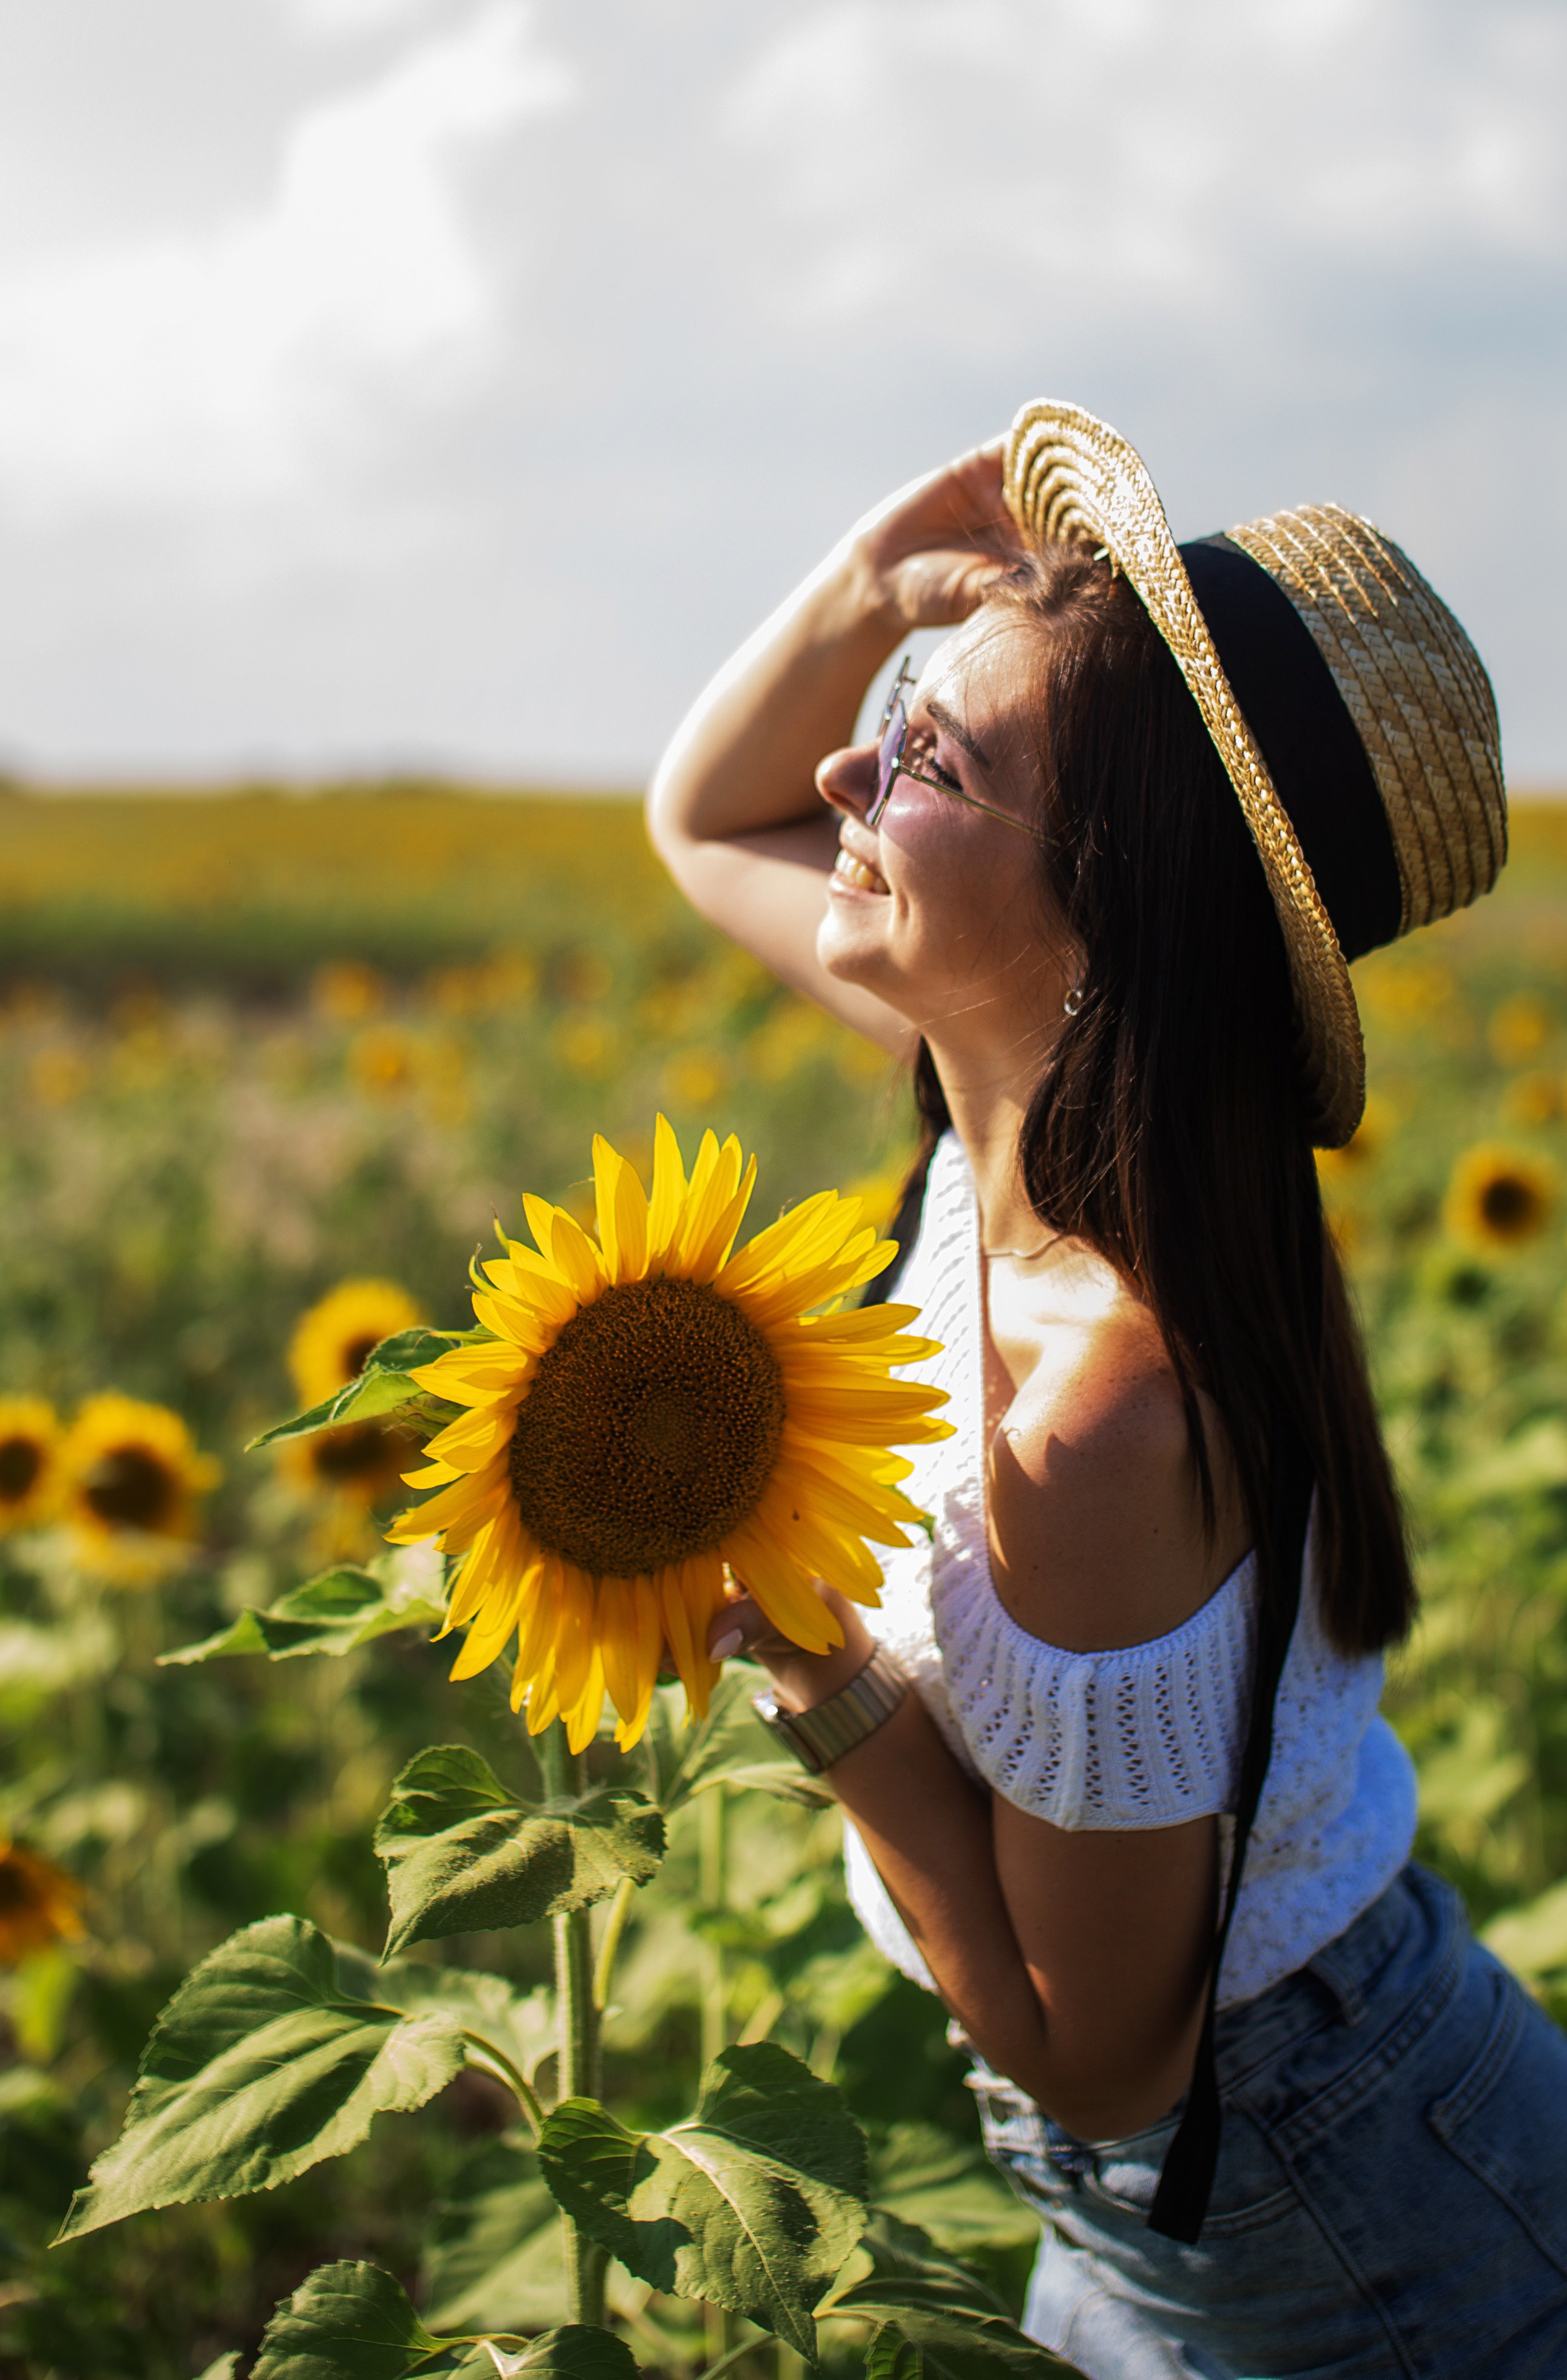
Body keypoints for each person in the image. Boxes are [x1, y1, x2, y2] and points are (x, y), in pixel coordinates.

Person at [646, 400, 1567, 2379]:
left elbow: (1103, 2053)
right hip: (1223, 2175)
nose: (841, 775)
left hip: (1337, 2211)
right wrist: (880, 586)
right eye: (888, 722)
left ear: (1108, 916)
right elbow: (704, 819)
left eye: (926, 761)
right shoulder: (1033, 1116)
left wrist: (806, 1659)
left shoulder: (1096, 1426)